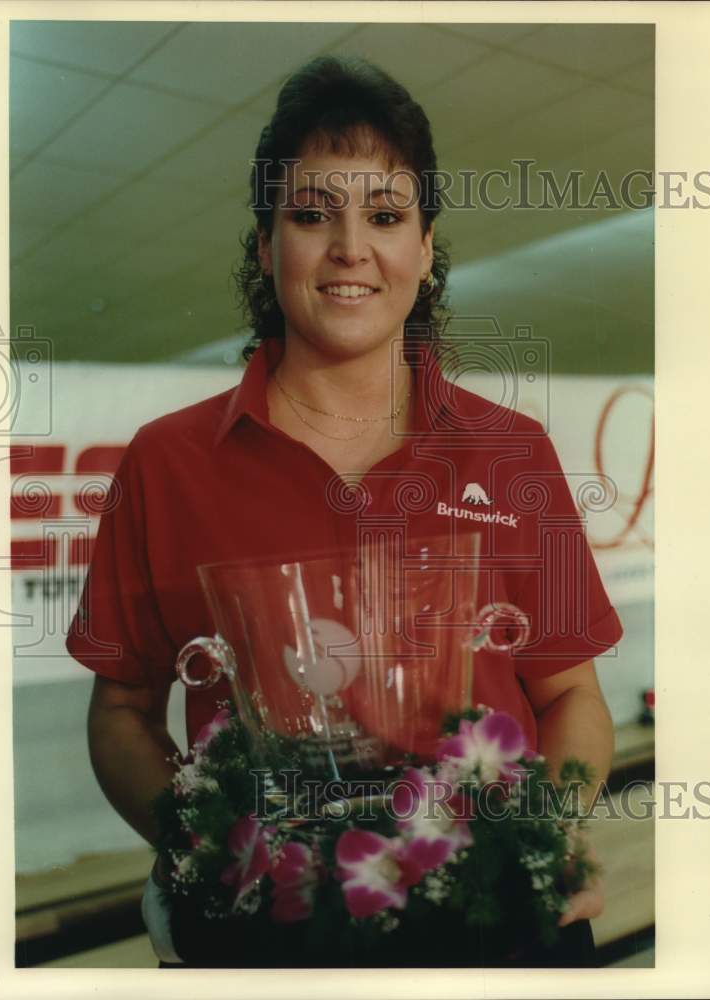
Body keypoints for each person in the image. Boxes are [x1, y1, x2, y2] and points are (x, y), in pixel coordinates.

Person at [66, 55, 623, 968]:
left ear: (427, 247)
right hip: (270, 936)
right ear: (264, 245)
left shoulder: (513, 453)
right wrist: (203, 849)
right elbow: (123, 710)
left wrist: (541, 838)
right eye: (311, 215)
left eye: (387, 216)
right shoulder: (166, 463)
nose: (350, 248)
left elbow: (572, 696)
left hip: (493, 925)